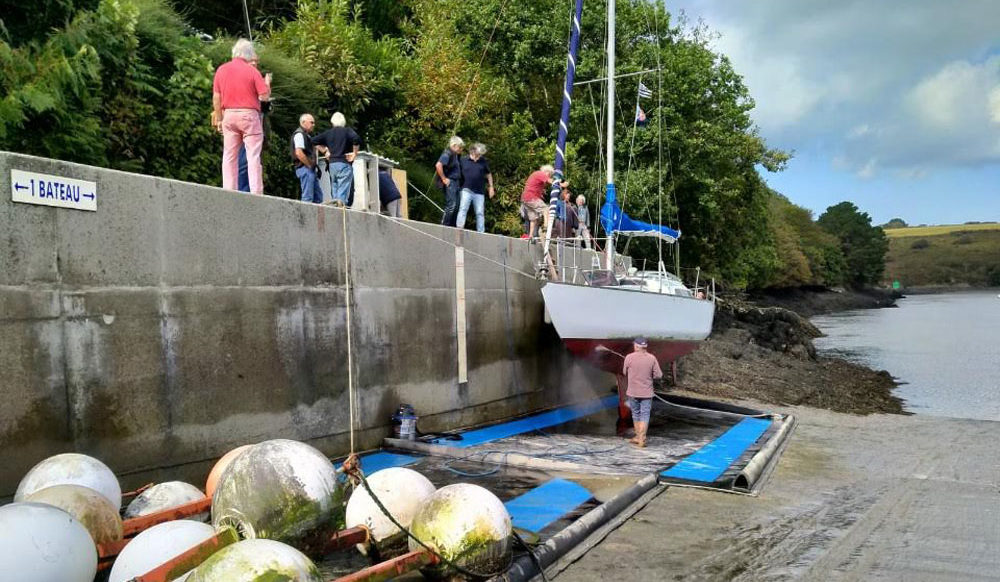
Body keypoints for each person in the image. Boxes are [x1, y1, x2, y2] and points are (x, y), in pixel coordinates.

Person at [212, 38, 271, 195]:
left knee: (229, 155)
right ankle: (256, 191)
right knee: (252, 154)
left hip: (229, 115)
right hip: (249, 115)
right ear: (248, 55)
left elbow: (216, 98)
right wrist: (267, 84)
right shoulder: (253, 71)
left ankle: (229, 190)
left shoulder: (221, 70)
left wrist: (219, 119)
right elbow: (264, 97)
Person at [312, 112, 360, 206]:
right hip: (344, 163)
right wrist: (354, 153)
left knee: (334, 191)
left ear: (332, 122)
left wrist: (325, 151)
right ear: (344, 122)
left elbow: (312, 141)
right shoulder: (347, 131)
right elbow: (356, 139)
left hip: (332, 165)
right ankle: (341, 214)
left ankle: (334, 210)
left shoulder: (328, 133)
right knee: (342, 192)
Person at [622, 337, 662, 448]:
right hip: (646, 393)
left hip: (633, 392)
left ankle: (639, 437)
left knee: (636, 414)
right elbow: (659, 375)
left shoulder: (629, 357)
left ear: (636, 346)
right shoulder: (652, 358)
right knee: (645, 415)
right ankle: (641, 439)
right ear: (645, 347)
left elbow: (624, 372)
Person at [455, 143, 494, 233]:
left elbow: (488, 174)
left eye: (481, 154)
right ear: (473, 151)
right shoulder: (463, 160)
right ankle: (459, 229)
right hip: (466, 189)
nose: (480, 155)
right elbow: (456, 172)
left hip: (479, 192)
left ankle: (481, 233)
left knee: (480, 213)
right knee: (463, 209)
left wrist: (491, 187)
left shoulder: (483, 161)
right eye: (478, 153)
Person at [520, 164, 565, 240]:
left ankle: (530, 236)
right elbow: (551, 181)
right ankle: (546, 227)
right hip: (531, 197)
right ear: (547, 171)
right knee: (546, 209)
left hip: (525, 198)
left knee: (533, 218)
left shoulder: (536, 174)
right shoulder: (541, 174)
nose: (549, 176)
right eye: (550, 174)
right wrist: (562, 184)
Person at [290, 114, 322, 203]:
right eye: (311, 122)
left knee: (318, 198)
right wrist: (309, 165)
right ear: (303, 122)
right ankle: (305, 217)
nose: (313, 125)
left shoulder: (306, 136)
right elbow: (299, 153)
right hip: (305, 169)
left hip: (308, 169)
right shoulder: (299, 135)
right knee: (308, 198)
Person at [435, 136, 464, 227]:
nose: (461, 149)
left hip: (456, 183)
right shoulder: (447, 153)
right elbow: (438, 165)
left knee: (457, 206)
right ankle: (444, 225)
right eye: (460, 147)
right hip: (450, 181)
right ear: (454, 145)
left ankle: (451, 226)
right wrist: (444, 179)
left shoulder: (455, 155)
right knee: (451, 205)